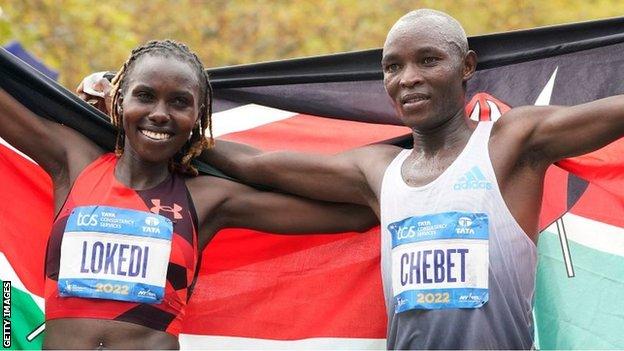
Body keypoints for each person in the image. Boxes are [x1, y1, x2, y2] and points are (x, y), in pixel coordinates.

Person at [199, 10, 624, 349]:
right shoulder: (378, 172)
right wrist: (181, 137)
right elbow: (260, 164)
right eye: (392, 67)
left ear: (466, 66)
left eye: (428, 59)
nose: (408, 78)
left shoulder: (511, 143)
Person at [0, 39, 377, 349]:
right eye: (144, 96)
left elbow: (357, 211)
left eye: (179, 102)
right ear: (120, 100)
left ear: (199, 115)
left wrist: (218, 151)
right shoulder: (74, 161)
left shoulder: (208, 199)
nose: (160, 114)